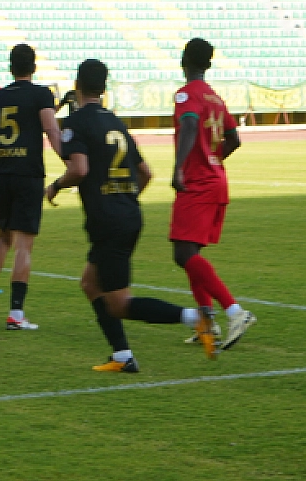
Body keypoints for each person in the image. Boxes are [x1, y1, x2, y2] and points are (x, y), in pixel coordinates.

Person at [48, 59, 201, 373]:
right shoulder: (115, 122)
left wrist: (55, 186)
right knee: (91, 284)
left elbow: (78, 169)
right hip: (126, 215)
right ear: (104, 88)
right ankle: (122, 356)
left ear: (77, 85)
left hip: (108, 220)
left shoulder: (77, 122)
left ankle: (195, 318)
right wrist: (123, 199)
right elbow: (145, 173)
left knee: (119, 303)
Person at [170, 39, 254, 356]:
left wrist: (180, 167)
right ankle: (207, 322)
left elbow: (189, 124)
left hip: (197, 183)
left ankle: (235, 312)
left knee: (182, 253)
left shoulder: (187, 94)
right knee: (190, 252)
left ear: (184, 60)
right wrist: (213, 158)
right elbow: (233, 139)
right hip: (217, 180)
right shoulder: (214, 97)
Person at [0, 43, 61, 330]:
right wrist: (69, 159)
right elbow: (51, 130)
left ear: (10, 67)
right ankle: (16, 314)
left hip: (1, 172)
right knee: (24, 244)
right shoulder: (41, 94)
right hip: (27, 174)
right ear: (33, 67)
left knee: (4, 237)